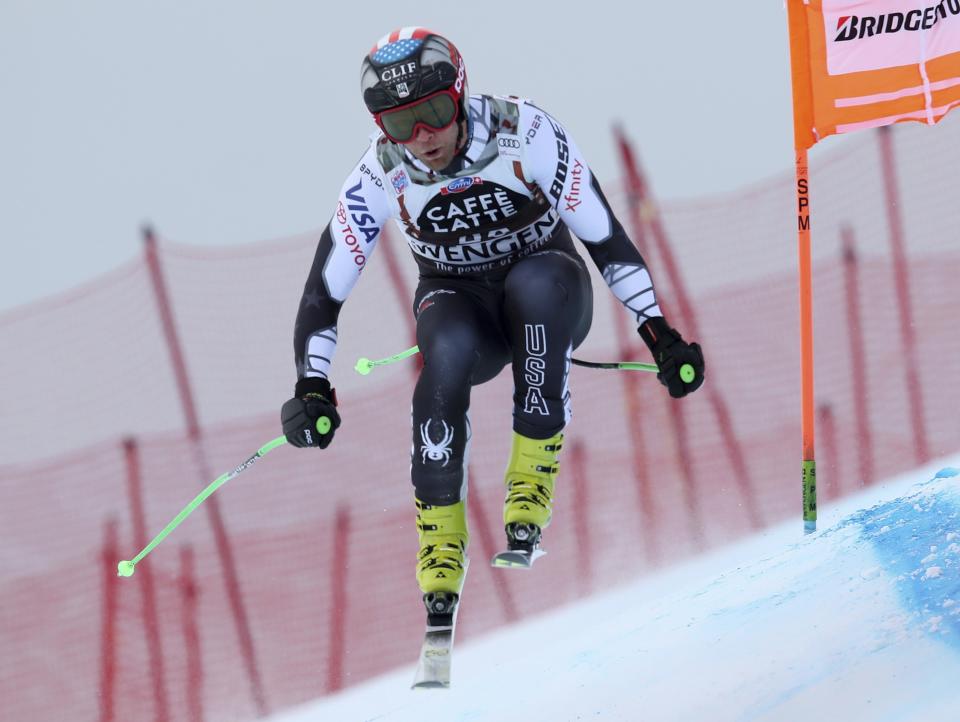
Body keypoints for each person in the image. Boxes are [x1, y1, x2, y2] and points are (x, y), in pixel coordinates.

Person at [281, 27, 704, 620]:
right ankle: (440, 543)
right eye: (400, 123)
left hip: (549, 284)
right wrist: (312, 385)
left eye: (433, 111)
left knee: (534, 290)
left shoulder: (524, 132)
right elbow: (324, 291)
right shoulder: (379, 173)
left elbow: (605, 237)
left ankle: (529, 487)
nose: (422, 136)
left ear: (460, 92)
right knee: (445, 352)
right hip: (461, 303)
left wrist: (658, 332)